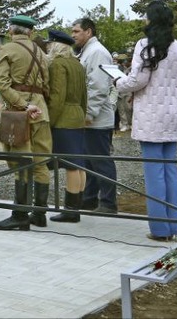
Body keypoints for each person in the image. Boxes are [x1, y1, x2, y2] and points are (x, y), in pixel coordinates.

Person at [114, 1, 177, 241]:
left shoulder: (145, 45)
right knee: (170, 171)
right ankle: (172, 226)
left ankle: (159, 228)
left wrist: (118, 83)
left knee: (153, 172)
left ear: (152, 20)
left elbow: (138, 80)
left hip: (151, 114)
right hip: (172, 111)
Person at [0, 15, 52, 231]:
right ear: (30, 32)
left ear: (11, 31)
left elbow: (1, 84)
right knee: (41, 162)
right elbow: (47, 85)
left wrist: (23, 105)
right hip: (41, 112)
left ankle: (19, 215)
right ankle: (40, 214)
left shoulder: (6, 50)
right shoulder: (42, 53)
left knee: (20, 162)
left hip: (18, 114)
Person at [73, 17, 118, 214]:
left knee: (101, 161)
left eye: (76, 31)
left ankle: (108, 203)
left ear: (88, 31)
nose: (73, 35)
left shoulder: (97, 52)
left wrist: (89, 113)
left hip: (97, 119)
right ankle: (89, 198)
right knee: (89, 161)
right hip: (91, 117)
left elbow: (98, 86)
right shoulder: (88, 51)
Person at [45, 29, 88, 223]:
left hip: (63, 119)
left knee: (71, 166)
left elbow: (57, 98)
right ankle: (76, 206)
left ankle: (70, 211)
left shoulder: (58, 65)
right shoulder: (77, 64)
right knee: (79, 165)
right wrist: (82, 114)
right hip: (78, 115)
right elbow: (83, 95)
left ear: (55, 46)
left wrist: (49, 121)